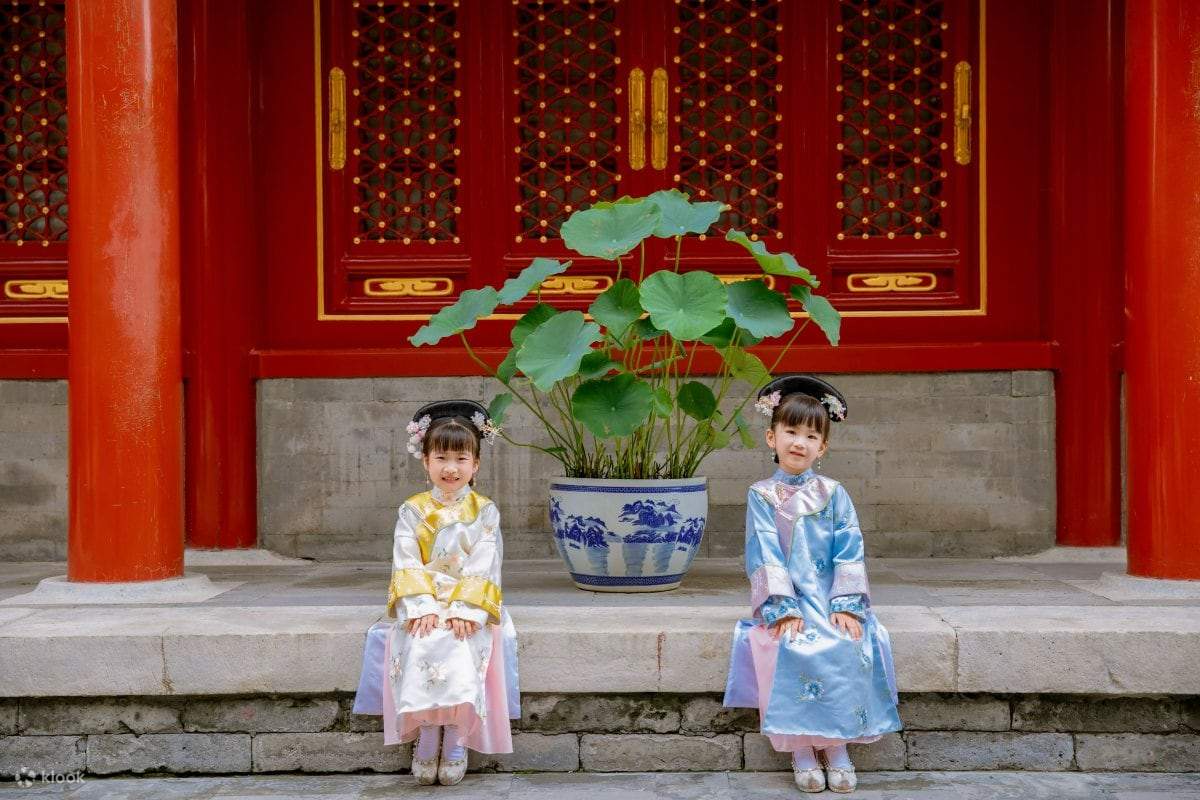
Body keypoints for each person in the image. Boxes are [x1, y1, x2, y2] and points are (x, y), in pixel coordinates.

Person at [723, 375, 901, 793]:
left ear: (823, 447)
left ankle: (837, 747)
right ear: (772, 437)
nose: (799, 442)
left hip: (829, 595)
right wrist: (782, 608)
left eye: (811, 435)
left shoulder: (834, 493)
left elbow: (849, 548)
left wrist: (847, 604)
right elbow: (764, 551)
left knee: (846, 640)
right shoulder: (761, 494)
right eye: (790, 431)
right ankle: (802, 752)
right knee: (788, 644)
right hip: (788, 597)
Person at [352, 400, 519, 786]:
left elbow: (485, 561)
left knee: (463, 640)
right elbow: (406, 560)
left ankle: (457, 737)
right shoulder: (412, 510)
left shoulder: (485, 510)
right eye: (441, 457)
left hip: (468, 598)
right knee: (421, 636)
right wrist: (421, 605)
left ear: (475, 465)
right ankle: (428, 733)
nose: (451, 468)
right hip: (424, 596)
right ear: (425, 461)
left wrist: (466, 608)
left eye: (461, 458)